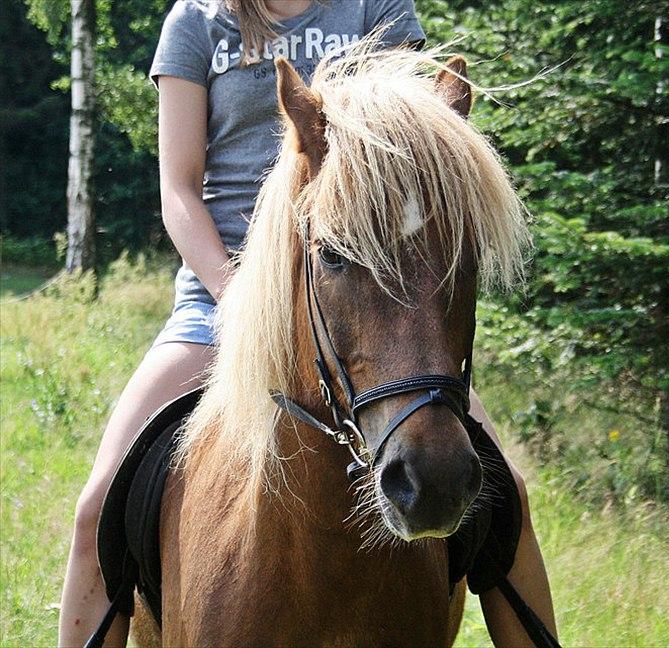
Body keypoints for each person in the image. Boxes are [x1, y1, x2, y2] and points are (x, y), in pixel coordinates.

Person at [58, 1, 556, 646]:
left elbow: (416, 154)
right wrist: (239, 300)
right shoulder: (197, 22)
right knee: (96, 507)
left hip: (369, 299)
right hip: (222, 303)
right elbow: (178, 192)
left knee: (504, 493)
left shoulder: (379, 9)